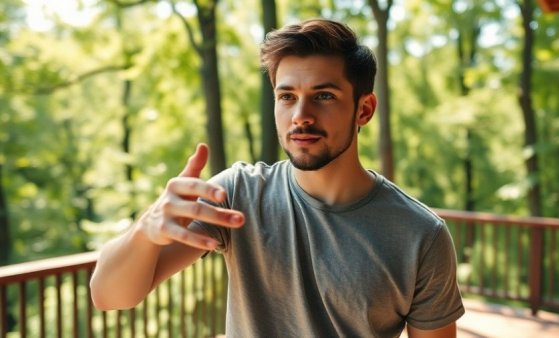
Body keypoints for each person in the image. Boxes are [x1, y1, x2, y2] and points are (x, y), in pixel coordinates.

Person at [90, 18, 464, 337]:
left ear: (363, 109)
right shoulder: (238, 194)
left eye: (324, 96)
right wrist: (147, 229)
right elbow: (110, 296)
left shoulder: (420, 235)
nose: (301, 115)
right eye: (286, 97)